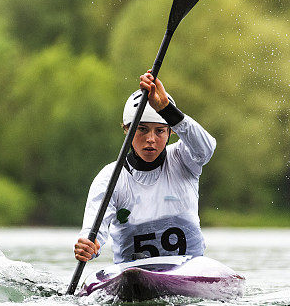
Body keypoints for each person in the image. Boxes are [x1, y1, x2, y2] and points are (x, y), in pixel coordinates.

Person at [74, 70, 216, 263]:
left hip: (188, 270)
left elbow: (206, 147)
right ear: (127, 130)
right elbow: (93, 230)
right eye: (142, 129)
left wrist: (166, 109)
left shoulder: (183, 159)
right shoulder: (110, 177)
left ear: (170, 132)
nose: (150, 139)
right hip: (133, 278)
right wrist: (89, 245)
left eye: (159, 131)